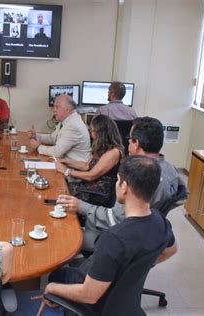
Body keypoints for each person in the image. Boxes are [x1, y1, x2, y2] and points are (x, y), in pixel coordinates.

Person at [15, 156, 178, 315]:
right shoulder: (160, 221)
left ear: (125, 187)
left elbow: (89, 295)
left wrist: (50, 288)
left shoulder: (114, 239)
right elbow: (172, 250)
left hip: (96, 303)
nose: (116, 184)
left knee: (42, 286)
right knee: (60, 273)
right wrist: (132, 272)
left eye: (117, 180)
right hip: (122, 301)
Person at [58, 116, 188, 252]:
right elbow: (183, 195)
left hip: (118, 237)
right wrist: (155, 216)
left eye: (129, 138)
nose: (128, 142)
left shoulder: (135, 174)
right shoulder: (172, 171)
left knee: (64, 237)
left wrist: (80, 205)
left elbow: (114, 219)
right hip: (144, 236)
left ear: (136, 143)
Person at [55, 115, 123, 207]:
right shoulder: (102, 148)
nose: (91, 134)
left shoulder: (113, 152)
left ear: (101, 132)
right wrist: (64, 161)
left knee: (63, 192)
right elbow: (86, 165)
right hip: (90, 186)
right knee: (62, 187)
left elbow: (91, 175)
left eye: (93, 131)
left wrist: (67, 171)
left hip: (99, 193)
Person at [29, 95, 91, 161]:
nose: (54, 110)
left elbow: (57, 152)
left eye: (57, 107)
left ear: (67, 109)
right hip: (65, 162)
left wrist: (38, 147)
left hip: (76, 167)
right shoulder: (66, 120)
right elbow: (53, 138)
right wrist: (36, 135)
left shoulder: (73, 126)